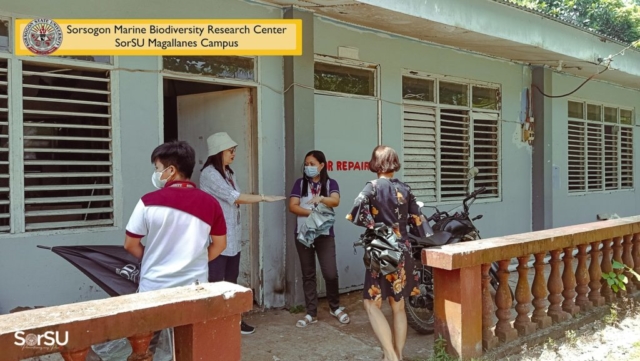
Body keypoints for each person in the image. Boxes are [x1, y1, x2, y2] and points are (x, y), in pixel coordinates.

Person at [122, 140, 227, 359]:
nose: (156, 173)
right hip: (193, 288)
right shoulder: (210, 203)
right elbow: (220, 244)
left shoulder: (147, 202)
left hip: (154, 287)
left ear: (170, 170)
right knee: (190, 346)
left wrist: (154, 259)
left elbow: (130, 244)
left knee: (146, 347)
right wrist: (194, 261)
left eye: (157, 169)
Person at [200, 132, 286, 335]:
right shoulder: (209, 174)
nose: (233, 154)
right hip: (216, 238)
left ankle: (233, 321)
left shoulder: (229, 173)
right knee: (215, 282)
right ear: (219, 152)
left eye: (234, 150)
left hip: (233, 237)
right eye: (230, 150)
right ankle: (214, 324)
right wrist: (264, 198)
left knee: (231, 280)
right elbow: (235, 197)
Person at [346, 145, 421, 361]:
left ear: (376, 163)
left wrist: (375, 226)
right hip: (404, 250)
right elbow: (418, 220)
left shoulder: (372, 187)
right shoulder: (405, 189)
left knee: (371, 303)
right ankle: (397, 354)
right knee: (398, 305)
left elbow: (356, 211)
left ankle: (390, 356)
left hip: (382, 251)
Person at [288, 150, 350, 328]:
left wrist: (321, 199)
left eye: (312, 164)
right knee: (308, 274)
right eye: (306, 164)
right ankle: (311, 313)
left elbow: (335, 201)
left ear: (322, 166)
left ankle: (335, 307)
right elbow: (293, 206)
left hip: (324, 234)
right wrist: (313, 213)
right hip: (304, 234)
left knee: (330, 273)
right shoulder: (300, 184)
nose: (308, 167)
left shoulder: (331, 183)